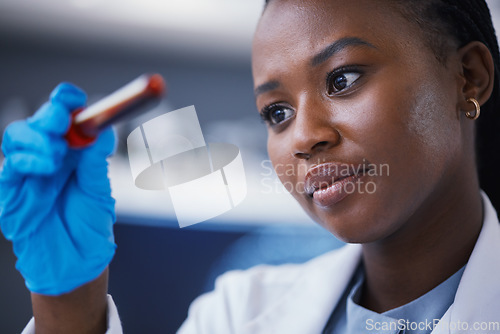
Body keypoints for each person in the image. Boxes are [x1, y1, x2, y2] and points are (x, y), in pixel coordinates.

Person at [1, 0, 500, 333]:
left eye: (343, 78)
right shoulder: (238, 315)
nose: (303, 137)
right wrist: (68, 306)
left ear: (468, 78)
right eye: (277, 113)